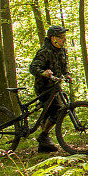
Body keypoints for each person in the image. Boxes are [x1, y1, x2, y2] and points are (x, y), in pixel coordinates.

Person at [29, 25, 72, 153]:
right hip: (44, 88)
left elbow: (64, 67)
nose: (64, 39)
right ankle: (43, 137)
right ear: (53, 38)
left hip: (54, 87)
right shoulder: (44, 52)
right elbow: (33, 67)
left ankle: (43, 142)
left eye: (64, 37)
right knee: (56, 111)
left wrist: (67, 75)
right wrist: (43, 72)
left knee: (54, 113)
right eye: (61, 37)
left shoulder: (62, 51)